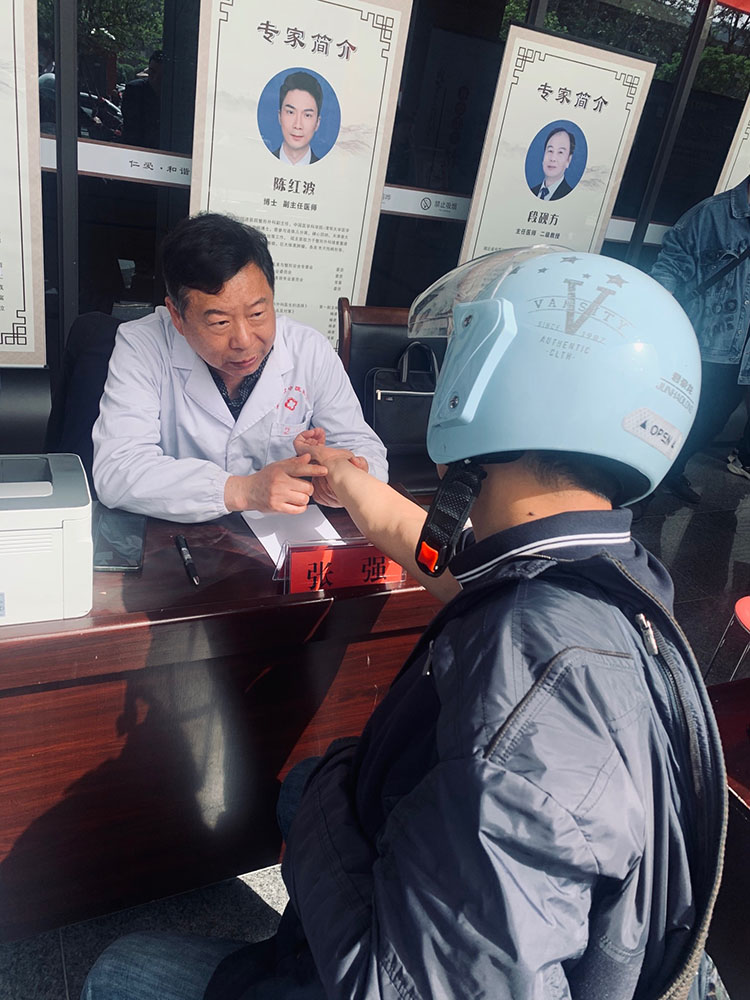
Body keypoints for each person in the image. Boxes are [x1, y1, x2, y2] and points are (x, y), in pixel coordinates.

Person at [82, 249, 728, 1000]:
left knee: (119, 968)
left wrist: (331, 798)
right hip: (457, 863)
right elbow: (440, 557)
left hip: (387, 967)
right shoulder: (608, 573)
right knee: (304, 785)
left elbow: (403, 986)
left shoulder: (524, 690)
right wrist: (347, 480)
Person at [92, 213, 387, 522]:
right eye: (220, 322)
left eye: (257, 314)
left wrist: (344, 479)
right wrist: (242, 490)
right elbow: (117, 470)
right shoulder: (143, 345)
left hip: (283, 537)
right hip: (178, 536)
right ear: (177, 316)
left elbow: (364, 448)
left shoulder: (309, 350)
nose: (244, 341)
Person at [652, 175, 750, 504]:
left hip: (744, 355)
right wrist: (658, 313)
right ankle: (642, 489)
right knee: (673, 419)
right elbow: (671, 265)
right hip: (706, 344)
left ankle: (673, 471)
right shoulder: (711, 214)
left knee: (712, 424)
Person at [273, 71, 323, 165]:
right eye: (290, 112)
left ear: (317, 123)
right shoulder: (261, 161)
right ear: (279, 116)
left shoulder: (327, 169)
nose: (297, 125)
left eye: (307, 115)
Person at [121, 50, 163, 149]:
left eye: (162, 74)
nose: (156, 78)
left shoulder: (175, 95)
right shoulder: (135, 90)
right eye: (152, 72)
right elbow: (131, 127)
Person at [530, 127, 575, 200]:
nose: (553, 158)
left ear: (568, 160)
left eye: (560, 152)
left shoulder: (571, 197)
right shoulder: (531, 191)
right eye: (550, 151)